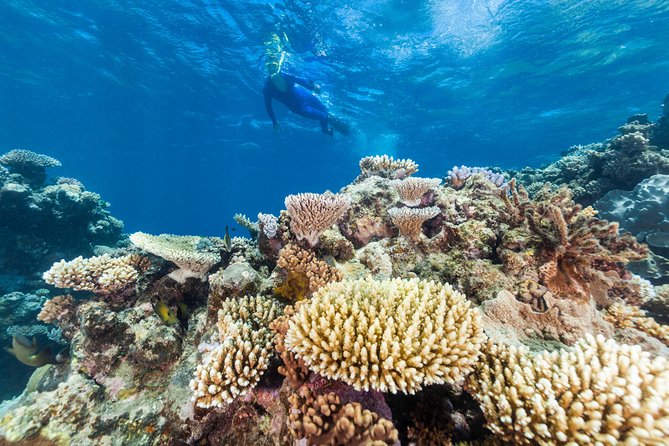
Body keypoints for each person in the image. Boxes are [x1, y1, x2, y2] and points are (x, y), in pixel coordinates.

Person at [262, 38, 349, 136]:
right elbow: (268, 106)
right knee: (324, 117)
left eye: (273, 65)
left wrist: (313, 86)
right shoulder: (267, 88)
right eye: (269, 66)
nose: (272, 68)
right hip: (300, 108)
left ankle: (339, 127)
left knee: (325, 111)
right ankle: (325, 130)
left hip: (307, 96)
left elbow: (299, 80)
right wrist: (274, 122)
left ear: (277, 65)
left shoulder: (285, 75)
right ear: (266, 67)